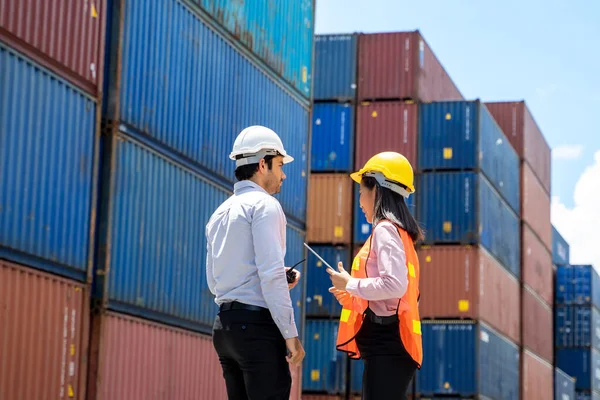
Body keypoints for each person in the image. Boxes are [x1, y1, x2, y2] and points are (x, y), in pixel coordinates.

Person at [206, 125, 305, 400]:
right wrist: (291, 335)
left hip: (224, 329)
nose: (284, 174)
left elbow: (214, 282)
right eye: (280, 165)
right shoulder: (265, 206)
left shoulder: (219, 213)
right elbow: (272, 276)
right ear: (263, 164)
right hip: (256, 330)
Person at [327, 151, 423, 400]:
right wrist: (349, 291)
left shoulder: (385, 230)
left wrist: (351, 283)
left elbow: (394, 285)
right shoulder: (400, 233)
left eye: (361, 192)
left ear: (377, 190)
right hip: (390, 343)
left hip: (388, 343)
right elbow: (388, 299)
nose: (359, 201)